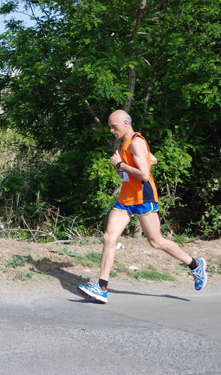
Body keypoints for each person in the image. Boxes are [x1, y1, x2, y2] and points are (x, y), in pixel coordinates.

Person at [77, 110, 207, 304]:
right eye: (110, 126)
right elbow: (151, 159)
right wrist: (132, 162)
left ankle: (195, 265)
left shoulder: (137, 142)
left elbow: (145, 175)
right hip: (126, 199)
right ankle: (102, 288)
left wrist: (121, 164)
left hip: (143, 198)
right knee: (109, 237)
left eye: (114, 126)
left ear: (126, 124)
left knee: (156, 242)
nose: (111, 130)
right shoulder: (126, 144)